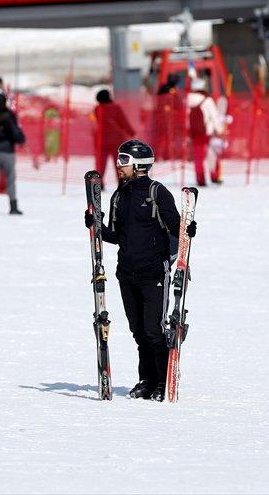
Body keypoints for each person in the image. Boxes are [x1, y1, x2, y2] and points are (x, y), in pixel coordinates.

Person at [84, 139, 190, 402]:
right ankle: (146, 379)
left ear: (138, 165)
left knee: (154, 329)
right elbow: (117, 235)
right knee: (138, 331)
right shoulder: (119, 196)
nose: (119, 166)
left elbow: (177, 226)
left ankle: (162, 381)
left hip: (154, 272)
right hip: (127, 272)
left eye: (123, 161)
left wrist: (189, 229)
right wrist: (96, 225)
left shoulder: (157, 192)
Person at [93, 89, 136, 183]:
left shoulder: (97, 109)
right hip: (117, 140)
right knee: (120, 163)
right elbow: (123, 121)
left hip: (101, 141)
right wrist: (131, 132)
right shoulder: (116, 108)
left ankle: (99, 182)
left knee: (100, 164)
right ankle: (122, 181)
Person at [188, 79, 226, 185]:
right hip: (207, 132)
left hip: (194, 133)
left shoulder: (187, 100)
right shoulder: (207, 100)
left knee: (198, 156)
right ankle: (214, 176)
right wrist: (220, 129)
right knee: (212, 154)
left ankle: (200, 179)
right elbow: (214, 116)